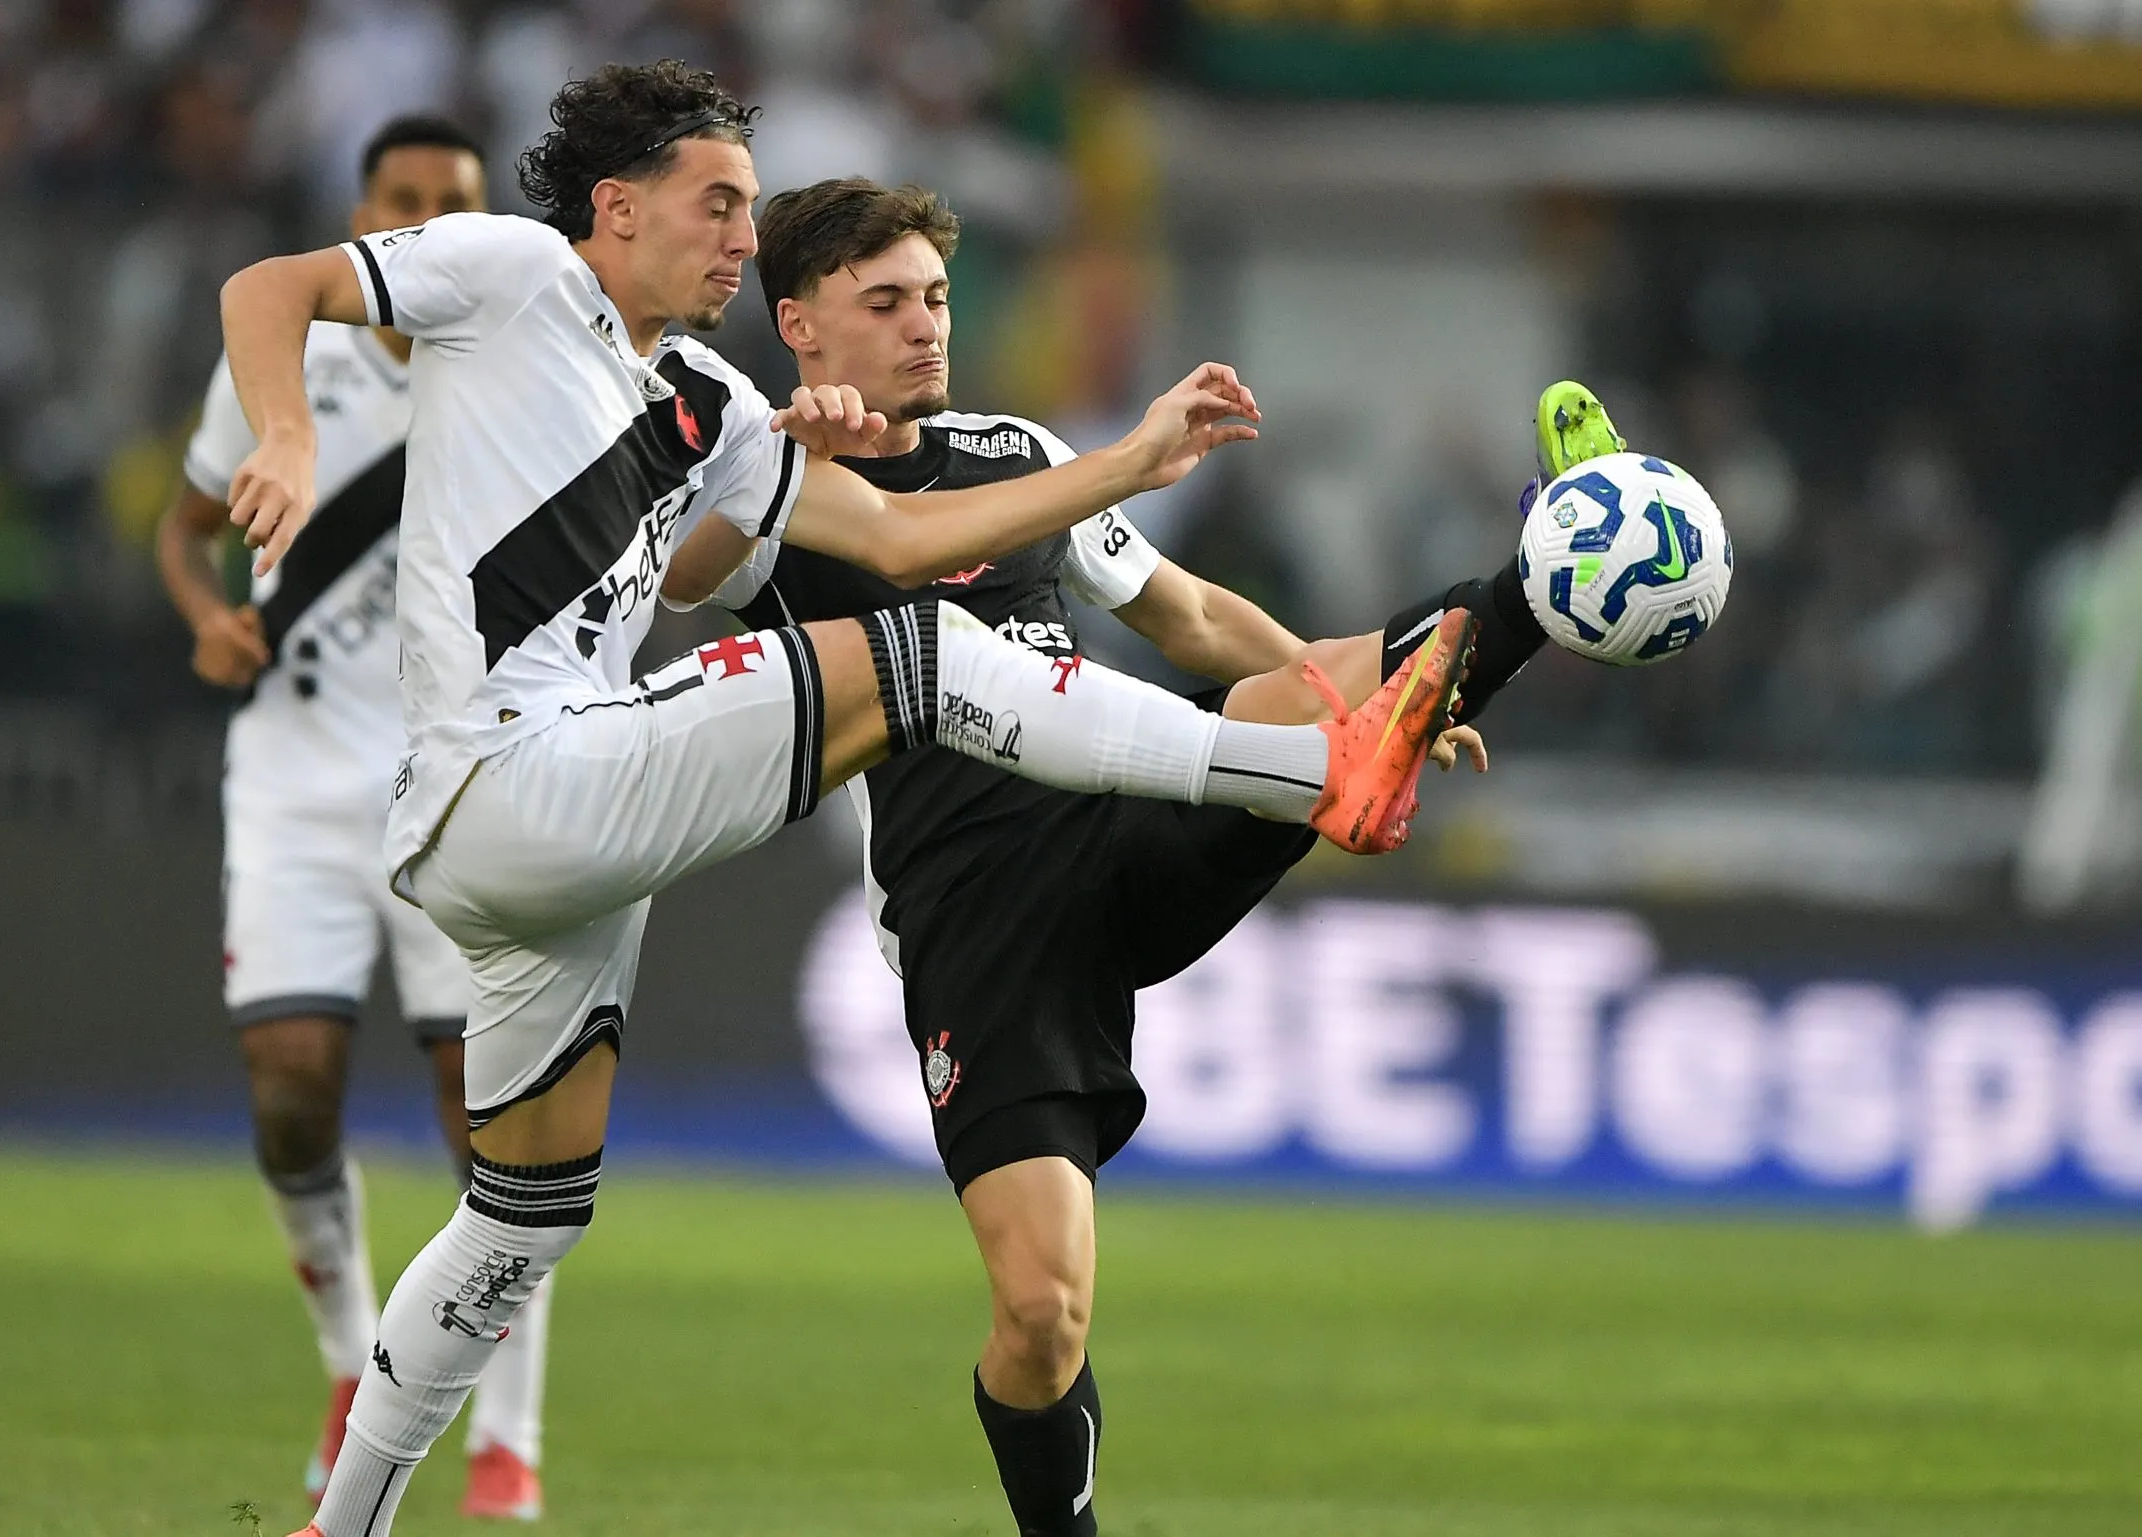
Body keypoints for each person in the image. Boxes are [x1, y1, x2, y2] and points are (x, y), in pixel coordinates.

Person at [213, 62, 1474, 1537]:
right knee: (928, 657)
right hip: (512, 771)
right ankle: (1319, 774)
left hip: (538, 854)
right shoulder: (512, 274)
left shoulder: (710, 404)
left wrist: (1115, 463)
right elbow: (269, 285)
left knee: (517, 1223)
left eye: (753, 207)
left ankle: (339, 1526)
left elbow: (895, 528)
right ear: (618, 209)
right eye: (719, 203)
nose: (743, 237)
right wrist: (286, 434)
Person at [665, 177, 1618, 1537]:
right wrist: (768, 455)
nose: (927, 327)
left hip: (1125, 797)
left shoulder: (1013, 451)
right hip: (980, 919)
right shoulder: (778, 485)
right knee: (1042, 1317)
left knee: (1303, 700)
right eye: (886, 304)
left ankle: (1539, 572)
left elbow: (1185, 616)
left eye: (936, 297)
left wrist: (1377, 711)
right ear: (801, 323)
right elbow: (681, 577)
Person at [151, 115, 550, 1523]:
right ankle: (346, 1358)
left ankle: (508, 1427)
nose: (427, 216)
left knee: (491, 1120)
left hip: (459, 778)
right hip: (298, 776)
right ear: (363, 206)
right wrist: (207, 618)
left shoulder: (513, 361)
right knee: (291, 1090)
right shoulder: (291, 354)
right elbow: (185, 530)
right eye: (403, 197)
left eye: (453, 200)